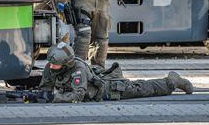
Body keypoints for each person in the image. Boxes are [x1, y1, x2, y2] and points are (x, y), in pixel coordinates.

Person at [20, 42, 194, 103]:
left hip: (109, 91)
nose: (51, 67)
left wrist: (52, 98)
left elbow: (78, 96)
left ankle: (172, 81)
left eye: (55, 65)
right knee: (140, 86)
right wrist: (36, 95)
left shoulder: (77, 69)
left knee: (142, 88)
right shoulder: (52, 65)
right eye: (50, 64)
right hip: (95, 89)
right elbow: (46, 87)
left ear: (66, 64)